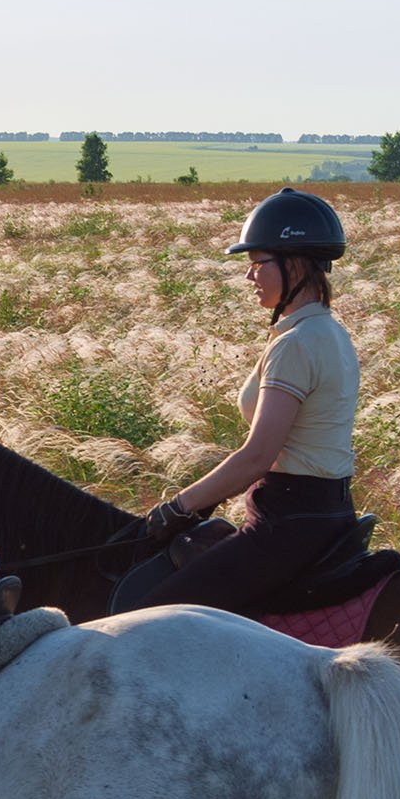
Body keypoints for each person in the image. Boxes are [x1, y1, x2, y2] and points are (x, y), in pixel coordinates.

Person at [120, 187, 360, 615]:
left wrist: (178, 506)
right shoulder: (328, 332)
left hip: (288, 525)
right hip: (327, 514)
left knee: (148, 617)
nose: (250, 277)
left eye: (257, 264)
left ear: (295, 265)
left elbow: (257, 457)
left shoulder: (297, 344)